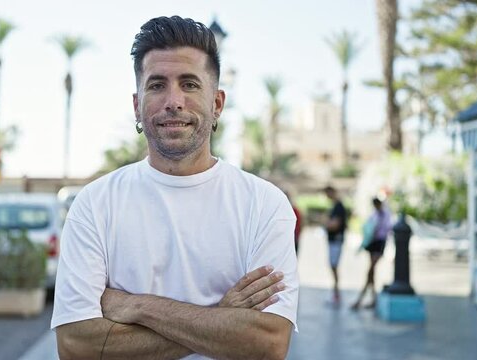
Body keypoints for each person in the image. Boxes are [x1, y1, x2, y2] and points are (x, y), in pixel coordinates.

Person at [51, 16, 299, 360]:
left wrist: (137, 306)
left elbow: (268, 343)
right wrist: (222, 316)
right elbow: (76, 346)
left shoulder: (264, 204)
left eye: (190, 84)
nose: (174, 101)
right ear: (136, 105)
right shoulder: (95, 204)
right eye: (157, 85)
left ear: (217, 104)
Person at [351, 197, 392, 310]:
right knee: (371, 273)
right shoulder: (375, 214)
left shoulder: (386, 214)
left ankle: (360, 299)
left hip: (379, 244)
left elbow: (386, 230)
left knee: (370, 272)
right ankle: (373, 299)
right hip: (373, 244)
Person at [323, 185, 347, 306]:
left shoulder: (338, 207)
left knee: (334, 266)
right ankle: (335, 293)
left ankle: (336, 294)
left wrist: (327, 224)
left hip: (336, 241)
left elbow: (334, 225)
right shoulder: (336, 206)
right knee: (333, 267)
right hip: (334, 241)